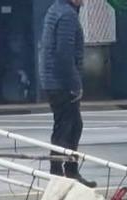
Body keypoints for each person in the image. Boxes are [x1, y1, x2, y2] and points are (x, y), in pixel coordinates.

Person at [38, 0, 96, 188]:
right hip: (60, 82)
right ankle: (60, 174)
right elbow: (64, 53)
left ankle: (67, 171)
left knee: (71, 125)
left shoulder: (56, 10)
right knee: (66, 128)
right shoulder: (67, 15)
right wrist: (74, 84)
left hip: (52, 79)